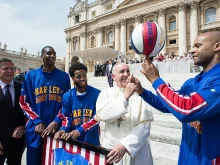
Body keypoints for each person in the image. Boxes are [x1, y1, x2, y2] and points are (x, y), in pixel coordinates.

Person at [138, 31, 220, 165]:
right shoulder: (191, 82)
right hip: (187, 157)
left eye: (197, 46)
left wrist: (156, 80)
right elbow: (168, 104)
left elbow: (185, 109)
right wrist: (142, 91)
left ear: (217, 46)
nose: (191, 51)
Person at [19, 46, 71, 165]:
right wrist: (37, 121)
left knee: (53, 161)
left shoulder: (64, 77)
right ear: (42, 56)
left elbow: (67, 103)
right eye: (48, 53)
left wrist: (57, 121)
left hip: (55, 130)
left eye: (54, 53)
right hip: (35, 129)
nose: (52, 56)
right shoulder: (30, 75)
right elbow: (23, 102)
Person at [95, 63, 154, 165]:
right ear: (113, 77)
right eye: (122, 72)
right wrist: (125, 97)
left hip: (138, 151)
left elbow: (145, 125)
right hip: (112, 150)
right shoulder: (105, 94)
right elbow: (104, 115)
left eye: (128, 71)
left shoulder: (140, 95)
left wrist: (125, 145)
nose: (126, 74)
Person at [54, 63, 101, 146]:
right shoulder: (67, 96)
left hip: (91, 142)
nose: (82, 79)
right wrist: (63, 129)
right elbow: (66, 117)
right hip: (73, 141)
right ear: (73, 79)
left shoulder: (97, 94)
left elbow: (97, 118)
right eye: (78, 77)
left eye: (84, 75)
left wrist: (79, 130)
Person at [0, 58, 26, 165]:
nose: (10, 71)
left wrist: (23, 126)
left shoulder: (21, 87)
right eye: (5, 69)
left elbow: (27, 109)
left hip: (17, 140)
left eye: (12, 68)